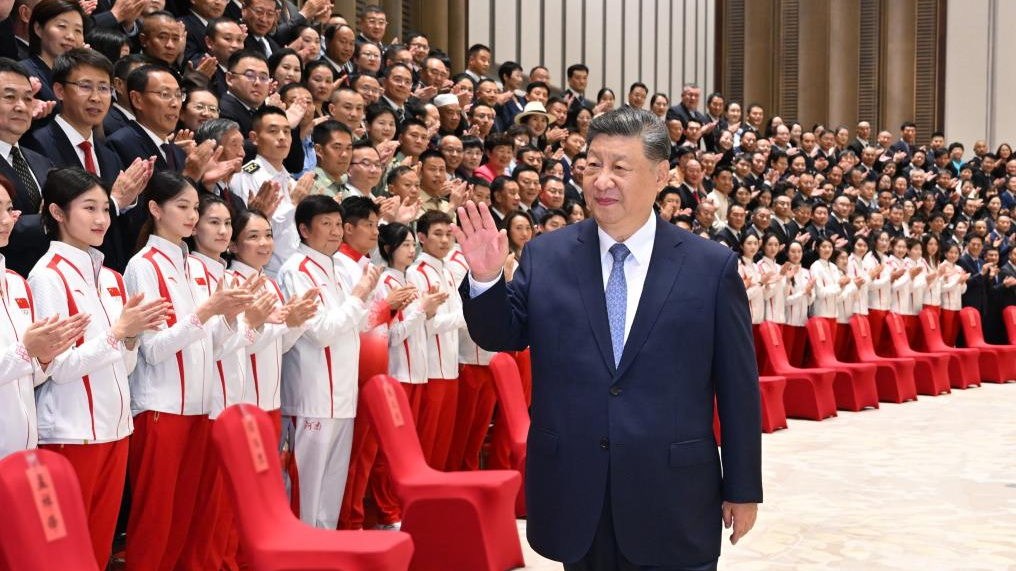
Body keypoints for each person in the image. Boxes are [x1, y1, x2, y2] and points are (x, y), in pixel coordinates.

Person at [453, 108, 760, 570]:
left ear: (660, 177)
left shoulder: (708, 267)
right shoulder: (548, 255)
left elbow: (738, 389)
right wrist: (484, 279)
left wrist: (742, 487)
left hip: (673, 498)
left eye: (619, 167)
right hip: (578, 493)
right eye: (593, 165)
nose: (602, 181)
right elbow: (502, 333)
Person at [30, 168, 168, 567]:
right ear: (57, 212)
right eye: (89, 208)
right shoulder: (47, 277)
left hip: (116, 428)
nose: (101, 219)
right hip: (70, 433)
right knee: (66, 551)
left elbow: (125, 364)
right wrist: (120, 332)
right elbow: (59, 368)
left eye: (105, 208)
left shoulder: (109, 277)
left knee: (99, 545)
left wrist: (128, 338)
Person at [123, 170, 253, 570]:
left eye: (196, 207)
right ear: (155, 209)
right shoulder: (143, 265)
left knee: (183, 520)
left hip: (199, 410)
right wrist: (207, 311)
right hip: (161, 409)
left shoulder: (188, 267)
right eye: (183, 206)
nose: (193, 216)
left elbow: (210, 346)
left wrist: (230, 318)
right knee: (155, 523)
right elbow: (156, 351)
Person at [279, 195, 381, 529]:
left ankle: (325, 550)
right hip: (313, 395)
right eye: (326, 224)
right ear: (304, 229)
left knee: (332, 487)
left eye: (338, 224)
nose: (336, 232)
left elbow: (360, 324)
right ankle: (301, 555)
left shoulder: (340, 267)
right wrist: (357, 298)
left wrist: (362, 298)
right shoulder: (296, 269)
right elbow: (320, 331)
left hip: (343, 394)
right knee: (306, 488)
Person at [0, 173, 88, 458]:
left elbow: (31, 376)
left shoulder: (16, 283)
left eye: (8, 209)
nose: (6, 220)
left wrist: (45, 357)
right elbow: (20, 357)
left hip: (23, 444)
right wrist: (26, 352)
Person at [407, 209, 466, 470]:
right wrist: (467, 317)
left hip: (450, 367)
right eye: (437, 234)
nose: (444, 240)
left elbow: (448, 320)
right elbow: (427, 324)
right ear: (421, 237)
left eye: (448, 234)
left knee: (444, 440)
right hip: (429, 369)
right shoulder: (416, 273)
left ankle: (441, 498)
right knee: (426, 441)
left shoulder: (449, 272)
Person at [783, 240, 814, 367]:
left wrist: (810, 294)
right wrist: (804, 293)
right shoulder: (784, 271)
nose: (796, 254)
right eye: (793, 251)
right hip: (788, 322)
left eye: (799, 251)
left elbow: (811, 301)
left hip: (803, 321)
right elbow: (786, 301)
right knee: (787, 358)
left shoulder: (807, 272)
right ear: (787, 253)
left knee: (798, 358)